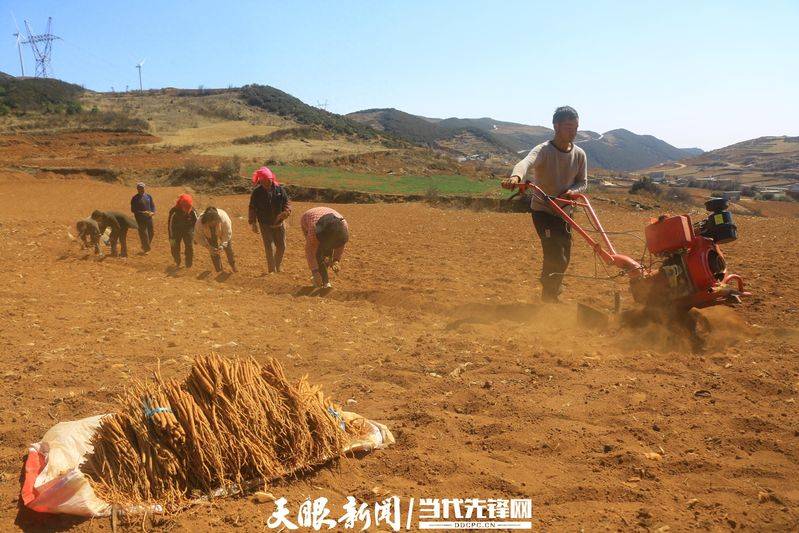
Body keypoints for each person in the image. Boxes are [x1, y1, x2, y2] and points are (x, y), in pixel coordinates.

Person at [502, 106, 587, 303]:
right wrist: (516, 176)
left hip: (565, 212)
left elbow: (583, 182)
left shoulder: (580, 154)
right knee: (554, 254)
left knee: (564, 257)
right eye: (568, 127)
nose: (573, 132)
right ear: (556, 126)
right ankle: (549, 298)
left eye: (575, 127)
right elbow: (525, 163)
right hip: (543, 211)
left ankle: (552, 293)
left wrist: (572, 192)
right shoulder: (544, 150)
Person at [248, 167, 291, 273]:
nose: (266, 183)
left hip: (279, 223)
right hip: (265, 224)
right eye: (263, 181)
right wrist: (253, 223)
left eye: (268, 180)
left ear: (271, 179)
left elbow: (287, 203)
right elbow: (252, 208)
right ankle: (272, 270)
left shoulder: (280, 190)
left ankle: (277, 265)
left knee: (282, 247)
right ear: (260, 181)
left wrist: (285, 212)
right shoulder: (257, 193)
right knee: (269, 248)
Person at [300, 207, 349, 288]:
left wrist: (336, 260)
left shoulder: (342, 226)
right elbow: (310, 252)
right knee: (318, 254)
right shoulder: (313, 229)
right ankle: (320, 279)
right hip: (308, 218)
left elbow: (341, 243)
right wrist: (315, 271)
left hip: (326, 219)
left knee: (326, 255)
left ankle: (323, 279)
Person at [195, 206, 237, 273]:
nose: (212, 225)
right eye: (210, 223)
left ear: (217, 220)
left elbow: (227, 234)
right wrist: (208, 246)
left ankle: (233, 266)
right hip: (208, 233)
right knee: (213, 250)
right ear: (206, 221)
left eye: (214, 223)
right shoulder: (199, 222)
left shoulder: (224, 219)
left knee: (228, 248)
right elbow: (198, 237)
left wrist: (223, 245)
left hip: (222, 231)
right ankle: (219, 270)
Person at [167, 194, 198, 268]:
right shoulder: (174, 211)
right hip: (175, 232)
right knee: (174, 247)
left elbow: (196, 224)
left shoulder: (192, 211)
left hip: (188, 230)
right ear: (181, 205)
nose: (187, 209)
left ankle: (188, 264)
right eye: (186, 207)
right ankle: (177, 261)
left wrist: (196, 236)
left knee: (189, 246)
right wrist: (171, 237)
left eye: (189, 207)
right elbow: (170, 225)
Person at [130, 182, 155, 253]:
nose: (141, 189)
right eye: (139, 188)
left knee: (151, 233)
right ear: (137, 189)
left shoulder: (148, 196)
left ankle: (145, 245)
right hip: (140, 219)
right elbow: (133, 210)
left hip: (149, 218)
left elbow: (152, 206)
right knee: (143, 233)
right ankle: (146, 248)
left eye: (142, 187)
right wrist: (143, 213)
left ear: (144, 188)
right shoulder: (134, 198)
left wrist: (153, 212)